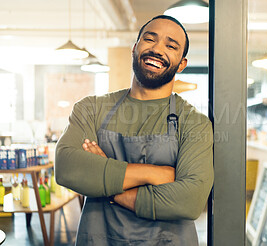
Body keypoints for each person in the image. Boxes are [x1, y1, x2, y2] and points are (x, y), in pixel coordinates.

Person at [55, 15, 214, 246]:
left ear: (181, 63)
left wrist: (109, 188)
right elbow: (67, 167)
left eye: (171, 46)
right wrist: (153, 173)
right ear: (135, 48)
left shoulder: (194, 122)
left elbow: (189, 200)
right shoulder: (92, 108)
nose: (157, 49)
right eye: (150, 39)